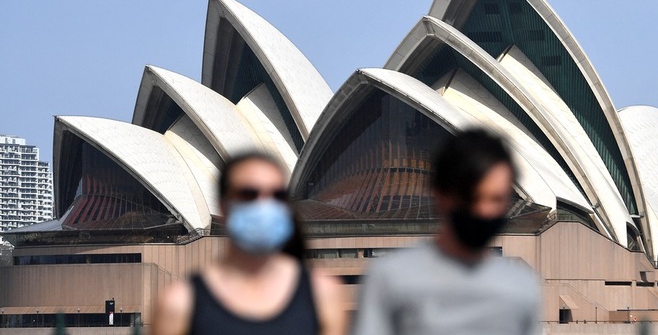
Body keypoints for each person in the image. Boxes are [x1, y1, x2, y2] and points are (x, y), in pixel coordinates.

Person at [353, 129, 541, 335]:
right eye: (472, 198)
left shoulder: (521, 286)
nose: (484, 210)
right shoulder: (391, 278)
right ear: (441, 195)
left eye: (496, 199)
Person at [152, 152, 345, 335]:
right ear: (223, 206)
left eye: (277, 195)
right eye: (249, 194)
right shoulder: (180, 304)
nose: (264, 206)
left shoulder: (322, 295)